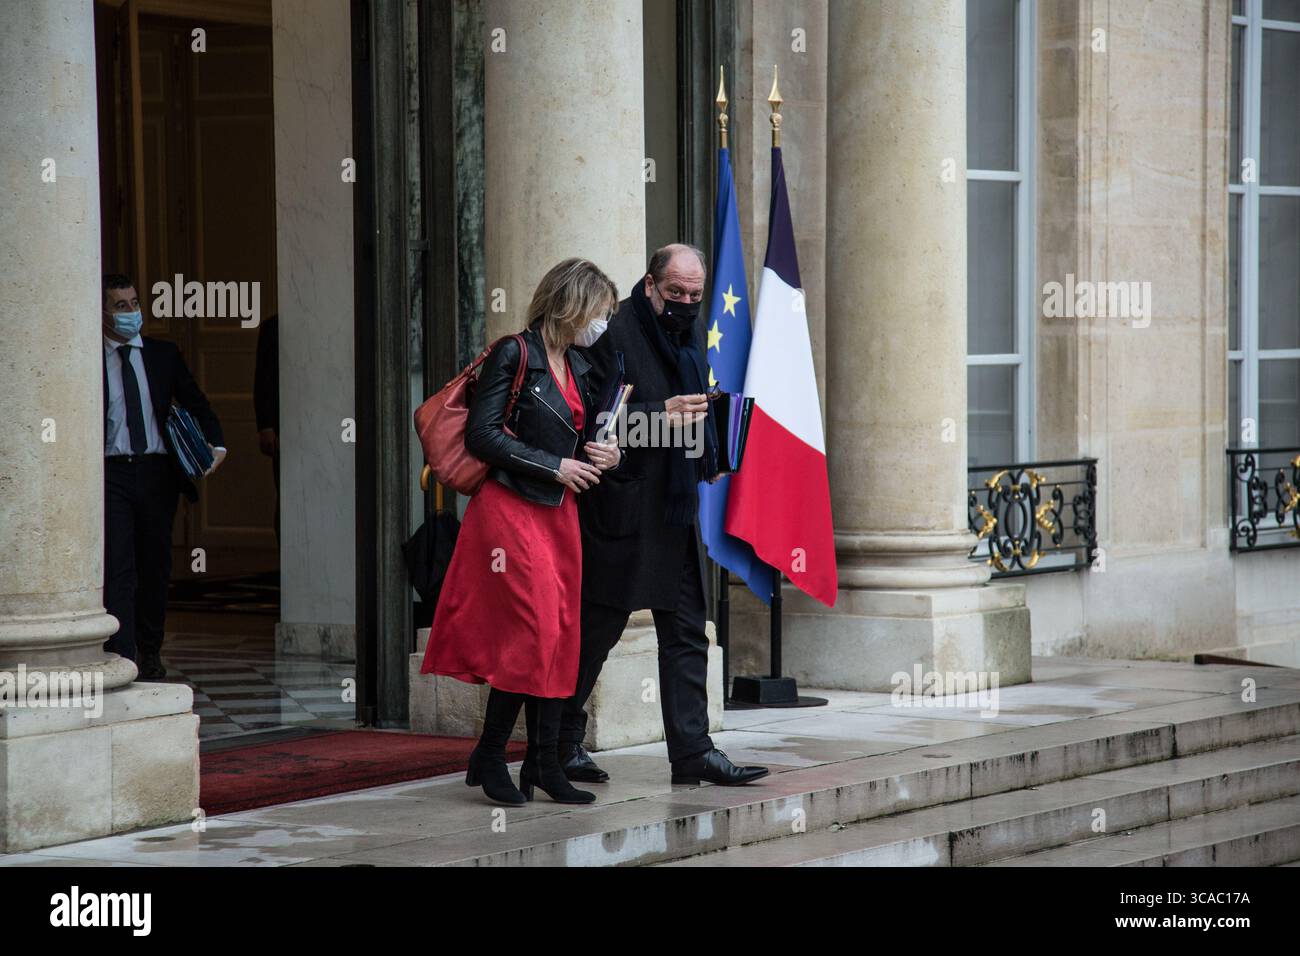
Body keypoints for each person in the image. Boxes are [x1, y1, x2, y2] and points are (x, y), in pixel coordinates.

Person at [560, 244, 769, 787]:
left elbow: (693, 411)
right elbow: (591, 427)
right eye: (674, 293)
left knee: (687, 633)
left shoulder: (688, 336)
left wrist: (711, 454)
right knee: (598, 631)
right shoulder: (613, 333)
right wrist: (661, 415)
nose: (684, 303)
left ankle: (693, 751)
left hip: (676, 508)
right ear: (649, 285)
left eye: (695, 296)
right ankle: (560, 740)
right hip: (622, 512)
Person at [420, 258, 622, 806]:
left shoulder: (575, 363)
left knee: (558, 637)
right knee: (531, 635)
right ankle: (490, 754)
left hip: (557, 514)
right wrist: (555, 465)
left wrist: (600, 454)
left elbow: (566, 441)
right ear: (570, 303)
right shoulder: (516, 352)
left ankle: (543, 762)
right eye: (598, 312)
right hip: (510, 511)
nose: (601, 325)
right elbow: (484, 435)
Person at [101, 273, 225, 679]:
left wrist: (216, 445)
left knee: (155, 565)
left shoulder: (162, 355)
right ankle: (123, 654)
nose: (131, 313)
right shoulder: (87, 361)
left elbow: (197, 401)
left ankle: (151, 650)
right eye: (121, 306)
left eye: (135, 303)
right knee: (119, 566)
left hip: (157, 474)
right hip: (112, 473)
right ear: (102, 313)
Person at [253, 314, 279, 543]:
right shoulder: (274, 327)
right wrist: (266, 426)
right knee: (287, 498)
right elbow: (264, 378)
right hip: (284, 429)